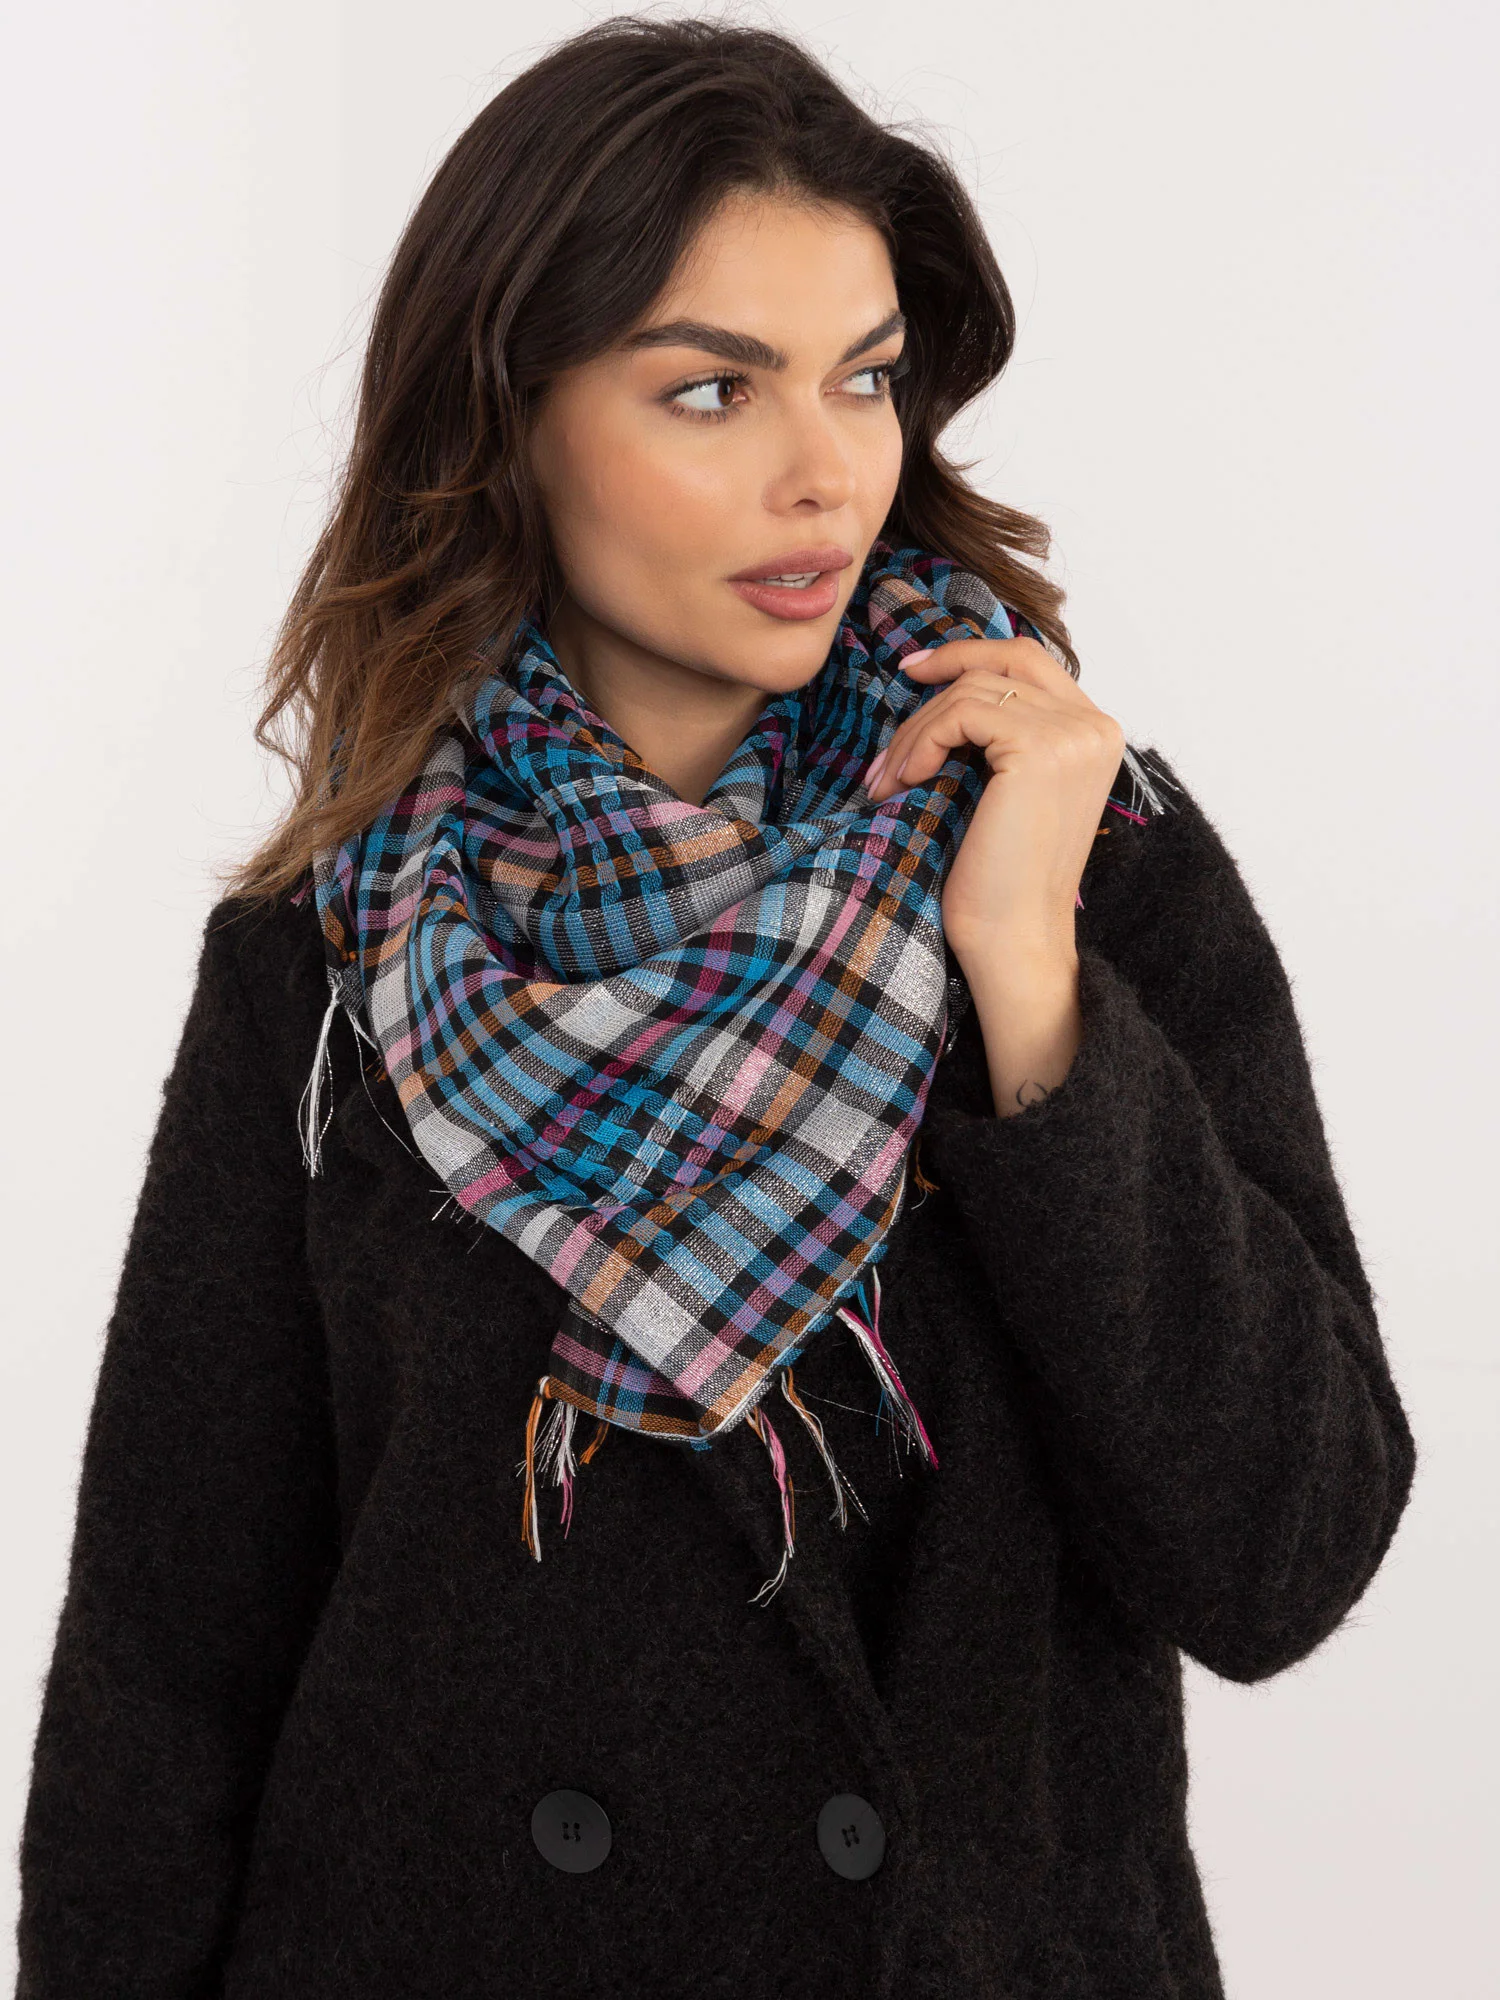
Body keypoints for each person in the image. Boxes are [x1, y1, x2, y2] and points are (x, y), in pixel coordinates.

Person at [15, 15, 1417, 1998]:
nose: (825, 471)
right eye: (709, 390)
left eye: (866, 377)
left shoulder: (1082, 848)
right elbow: (166, 1674)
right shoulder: (334, 949)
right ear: (506, 419)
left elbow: (1285, 1553)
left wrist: (1033, 992)